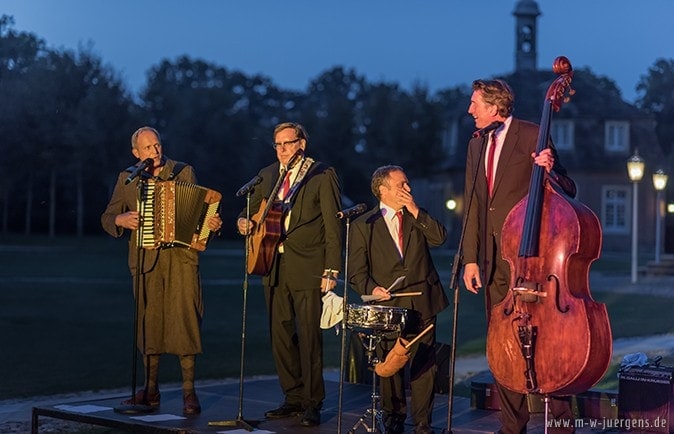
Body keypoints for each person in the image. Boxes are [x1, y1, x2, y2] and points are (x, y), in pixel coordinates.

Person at [461, 79, 577, 433]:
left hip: (532, 260)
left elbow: (568, 188)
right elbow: (474, 204)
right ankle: (513, 425)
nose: (470, 110)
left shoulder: (532, 133)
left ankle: (560, 423)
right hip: (495, 263)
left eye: (474, 103)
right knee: (502, 344)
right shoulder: (476, 143)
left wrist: (550, 167)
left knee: (549, 342)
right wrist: (470, 259)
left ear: (495, 106)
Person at [101, 126, 222, 416]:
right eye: (148, 148)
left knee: (186, 321)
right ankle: (150, 389)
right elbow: (107, 217)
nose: (155, 151)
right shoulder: (127, 179)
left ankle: (188, 392)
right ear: (136, 153)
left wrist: (211, 226)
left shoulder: (183, 172)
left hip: (181, 259)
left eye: (157, 145)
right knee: (148, 323)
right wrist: (121, 218)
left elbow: (199, 215)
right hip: (145, 261)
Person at [236, 122, 342, 427]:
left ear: (302, 144)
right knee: (280, 334)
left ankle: (312, 401)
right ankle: (292, 396)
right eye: (277, 144)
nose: (282, 150)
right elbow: (251, 210)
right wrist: (243, 221)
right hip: (272, 263)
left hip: (308, 264)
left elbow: (333, 227)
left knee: (309, 335)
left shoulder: (322, 174)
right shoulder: (268, 174)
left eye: (287, 143)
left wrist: (331, 269)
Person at [349, 165, 449, 434]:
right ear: (383, 190)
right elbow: (356, 273)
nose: (408, 189)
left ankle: (422, 423)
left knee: (425, 363)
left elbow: (440, 238)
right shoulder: (363, 225)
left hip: (424, 299)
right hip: (389, 305)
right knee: (392, 363)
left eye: (408, 183)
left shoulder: (417, 215)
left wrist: (416, 210)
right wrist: (373, 288)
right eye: (401, 185)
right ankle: (394, 417)